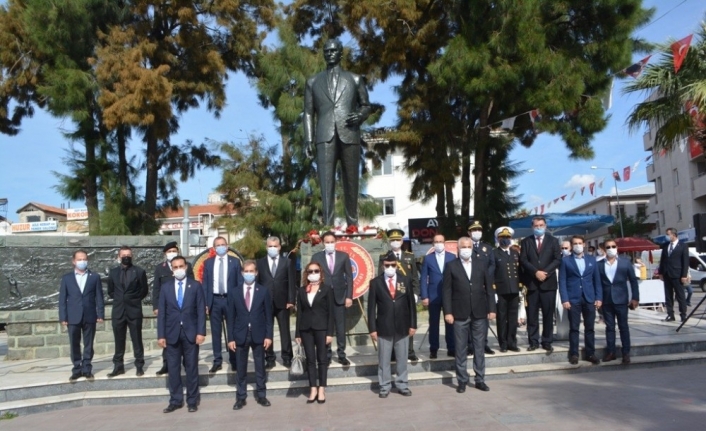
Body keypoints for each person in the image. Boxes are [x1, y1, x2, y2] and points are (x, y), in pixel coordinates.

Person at [303, 39, 371, 227]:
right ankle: (327, 226)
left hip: (349, 133)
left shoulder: (355, 79)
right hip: (324, 136)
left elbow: (366, 105)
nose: (330, 54)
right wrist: (308, 139)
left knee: (351, 182)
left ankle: (352, 225)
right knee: (326, 184)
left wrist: (359, 115)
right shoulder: (313, 82)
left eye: (333, 51)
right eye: (326, 51)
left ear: (341, 53)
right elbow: (308, 112)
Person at [443, 237, 496, 393]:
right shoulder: (451, 266)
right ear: (458, 248)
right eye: (463, 246)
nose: (466, 248)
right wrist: (448, 312)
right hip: (459, 314)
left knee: (479, 348)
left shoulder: (481, 265)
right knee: (460, 348)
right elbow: (446, 291)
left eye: (469, 246)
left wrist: (491, 309)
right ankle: (462, 380)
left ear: (473, 248)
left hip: (479, 312)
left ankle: (480, 379)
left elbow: (489, 289)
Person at [157, 256, 206, 413]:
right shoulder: (165, 288)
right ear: (172, 270)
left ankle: (192, 400)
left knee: (191, 368)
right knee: (173, 368)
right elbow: (162, 313)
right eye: (175, 267)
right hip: (172, 334)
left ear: (186, 267)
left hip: (190, 333)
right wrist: (161, 335)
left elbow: (200, 311)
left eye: (181, 266)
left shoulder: (196, 286)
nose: (178, 269)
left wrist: (201, 332)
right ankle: (175, 400)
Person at [369, 251, 417, 398]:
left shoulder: (405, 280)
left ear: (397, 265)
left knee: (402, 358)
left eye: (393, 265)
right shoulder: (376, 282)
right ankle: (384, 386)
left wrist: (413, 324)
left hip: (402, 326)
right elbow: (371, 308)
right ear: (383, 266)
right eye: (387, 265)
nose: (390, 267)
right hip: (384, 327)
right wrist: (372, 329)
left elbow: (411, 305)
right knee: (384, 359)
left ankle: (402, 384)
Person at [228, 260, 274, 410]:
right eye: (246, 271)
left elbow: (268, 316)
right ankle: (241, 397)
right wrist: (231, 338)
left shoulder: (263, 290)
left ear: (256, 273)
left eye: (251, 271)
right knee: (241, 368)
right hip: (240, 334)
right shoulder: (234, 292)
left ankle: (261, 395)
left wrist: (269, 336)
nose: (249, 274)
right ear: (242, 273)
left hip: (259, 334)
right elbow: (230, 317)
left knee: (260, 366)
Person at [59, 250, 104, 381]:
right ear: (73, 261)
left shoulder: (94, 277)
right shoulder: (67, 278)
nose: (82, 261)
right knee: (74, 343)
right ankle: (77, 369)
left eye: (84, 259)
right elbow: (62, 299)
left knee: (88, 344)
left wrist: (100, 313)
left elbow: (99, 297)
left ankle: (87, 368)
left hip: (90, 316)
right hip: (73, 316)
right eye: (79, 259)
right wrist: (63, 316)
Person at [519, 216, 561, 353]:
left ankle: (547, 341)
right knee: (532, 315)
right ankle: (533, 341)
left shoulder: (554, 241)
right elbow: (523, 260)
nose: (539, 228)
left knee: (548, 314)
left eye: (541, 225)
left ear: (545, 226)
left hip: (548, 284)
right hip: (532, 283)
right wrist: (536, 272)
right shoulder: (526, 241)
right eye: (536, 226)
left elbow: (557, 259)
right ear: (532, 227)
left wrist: (545, 273)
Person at [310, 231, 353, 365]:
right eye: (327, 242)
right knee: (325, 328)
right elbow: (312, 276)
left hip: (340, 297)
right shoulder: (317, 257)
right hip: (323, 297)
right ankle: (326, 355)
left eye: (332, 242)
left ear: (336, 242)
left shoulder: (343, 257)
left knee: (340, 328)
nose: (329, 244)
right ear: (323, 243)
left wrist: (349, 296)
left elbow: (349, 278)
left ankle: (341, 354)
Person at [559, 235, 602, 365]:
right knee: (574, 328)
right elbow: (562, 281)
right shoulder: (566, 261)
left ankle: (590, 353)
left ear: (584, 244)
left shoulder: (591, 260)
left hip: (589, 298)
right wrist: (565, 298)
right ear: (572, 246)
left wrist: (599, 297)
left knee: (590, 328)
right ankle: (574, 354)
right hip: (573, 298)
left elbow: (597, 280)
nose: (578, 245)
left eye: (580, 243)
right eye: (575, 243)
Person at [152, 241, 194, 375]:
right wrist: (156, 306)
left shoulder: (187, 267)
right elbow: (157, 289)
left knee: (186, 339)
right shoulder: (160, 268)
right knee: (168, 338)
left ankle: (187, 364)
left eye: (174, 251)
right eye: (169, 251)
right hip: (169, 309)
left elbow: (193, 286)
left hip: (184, 308)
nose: (172, 253)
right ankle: (166, 364)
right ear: (165, 254)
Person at [295, 261, 334, 404]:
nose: (313, 274)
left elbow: (331, 312)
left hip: (322, 328)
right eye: (310, 271)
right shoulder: (301, 290)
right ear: (306, 273)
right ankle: (313, 389)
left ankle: (322, 389)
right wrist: (297, 334)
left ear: (321, 272)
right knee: (310, 360)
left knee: (322, 360)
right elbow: (299, 312)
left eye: (316, 271)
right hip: (306, 329)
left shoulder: (327, 289)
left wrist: (330, 333)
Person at [377, 228, 419, 361]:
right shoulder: (384, 257)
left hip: (407, 294)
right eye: (393, 240)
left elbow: (414, 278)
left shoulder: (409, 256)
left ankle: (410, 350)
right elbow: (380, 277)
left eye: (398, 240)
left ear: (402, 241)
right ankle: (393, 352)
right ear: (390, 242)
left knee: (409, 321)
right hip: (391, 294)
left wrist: (416, 293)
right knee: (392, 323)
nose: (395, 242)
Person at [202, 236, 242, 373]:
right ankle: (217, 360)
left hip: (230, 300)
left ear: (227, 245)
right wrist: (206, 303)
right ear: (214, 248)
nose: (220, 247)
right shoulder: (208, 263)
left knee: (232, 330)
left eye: (223, 244)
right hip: (214, 300)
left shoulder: (235, 262)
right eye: (217, 245)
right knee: (216, 332)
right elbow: (205, 284)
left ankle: (234, 359)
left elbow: (239, 283)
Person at [107, 246, 149, 377]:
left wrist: (133, 299)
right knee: (119, 340)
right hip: (118, 311)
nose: (126, 257)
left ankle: (139, 365)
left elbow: (144, 290)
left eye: (128, 255)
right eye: (123, 255)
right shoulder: (113, 272)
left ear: (132, 256)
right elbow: (111, 291)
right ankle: (118, 366)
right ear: (119, 257)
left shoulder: (139, 271)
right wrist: (121, 299)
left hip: (134, 310)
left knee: (137, 339)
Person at [257, 236, 296, 370]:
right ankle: (269, 357)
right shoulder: (260, 263)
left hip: (282, 302)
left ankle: (287, 357)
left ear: (279, 247)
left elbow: (291, 282)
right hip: (265, 302)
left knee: (284, 330)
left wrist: (291, 300)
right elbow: (257, 284)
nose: (272, 248)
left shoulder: (287, 262)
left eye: (275, 246)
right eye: (270, 246)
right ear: (266, 247)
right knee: (267, 331)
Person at [598, 239, 639, 364]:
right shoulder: (599, 264)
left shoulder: (625, 263)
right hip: (606, 300)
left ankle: (626, 353)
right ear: (604, 249)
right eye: (608, 247)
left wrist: (635, 298)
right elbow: (597, 284)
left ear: (617, 247)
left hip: (621, 300)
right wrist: (598, 299)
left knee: (623, 327)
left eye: (613, 246)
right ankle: (611, 352)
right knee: (610, 327)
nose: (611, 248)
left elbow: (633, 281)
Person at [420, 234, 456, 358]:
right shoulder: (428, 258)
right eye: (436, 241)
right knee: (433, 323)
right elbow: (423, 278)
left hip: (449, 296)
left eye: (441, 241)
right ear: (433, 244)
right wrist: (424, 296)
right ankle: (433, 348)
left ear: (444, 243)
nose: (438, 243)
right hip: (433, 295)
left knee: (450, 322)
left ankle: (451, 347)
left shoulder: (452, 257)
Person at [468, 221, 496, 355]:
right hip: (471, 287)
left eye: (479, 229)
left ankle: (484, 344)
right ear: (469, 232)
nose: (477, 232)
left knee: (483, 318)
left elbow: (492, 265)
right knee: (469, 316)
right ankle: (470, 345)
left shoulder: (487, 248)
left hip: (484, 288)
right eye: (474, 230)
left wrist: (485, 279)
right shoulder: (466, 247)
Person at [493, 227, 520, 353]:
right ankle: (503, 343)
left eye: (507, 237)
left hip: (514, 289)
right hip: (501, 290)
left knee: (513, 318)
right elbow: (491, 272)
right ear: (498, 239)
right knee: (502, 318)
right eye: (502, 237)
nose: (505, 240)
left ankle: (512, 342)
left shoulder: (515, 253)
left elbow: (520, 271)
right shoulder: (494, 253)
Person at [658, 227, 690, 322]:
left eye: (668, 234)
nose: (667, 236)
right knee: (668, 295)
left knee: (680, 296)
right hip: (667, 274)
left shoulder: (683, 246)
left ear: (674, 235)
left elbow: (685, 261)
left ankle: (683, 315)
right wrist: (660, 272)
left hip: (677, 274)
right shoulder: (666, 246)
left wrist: (684, 275)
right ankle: (670, 315)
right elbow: (662, 260)